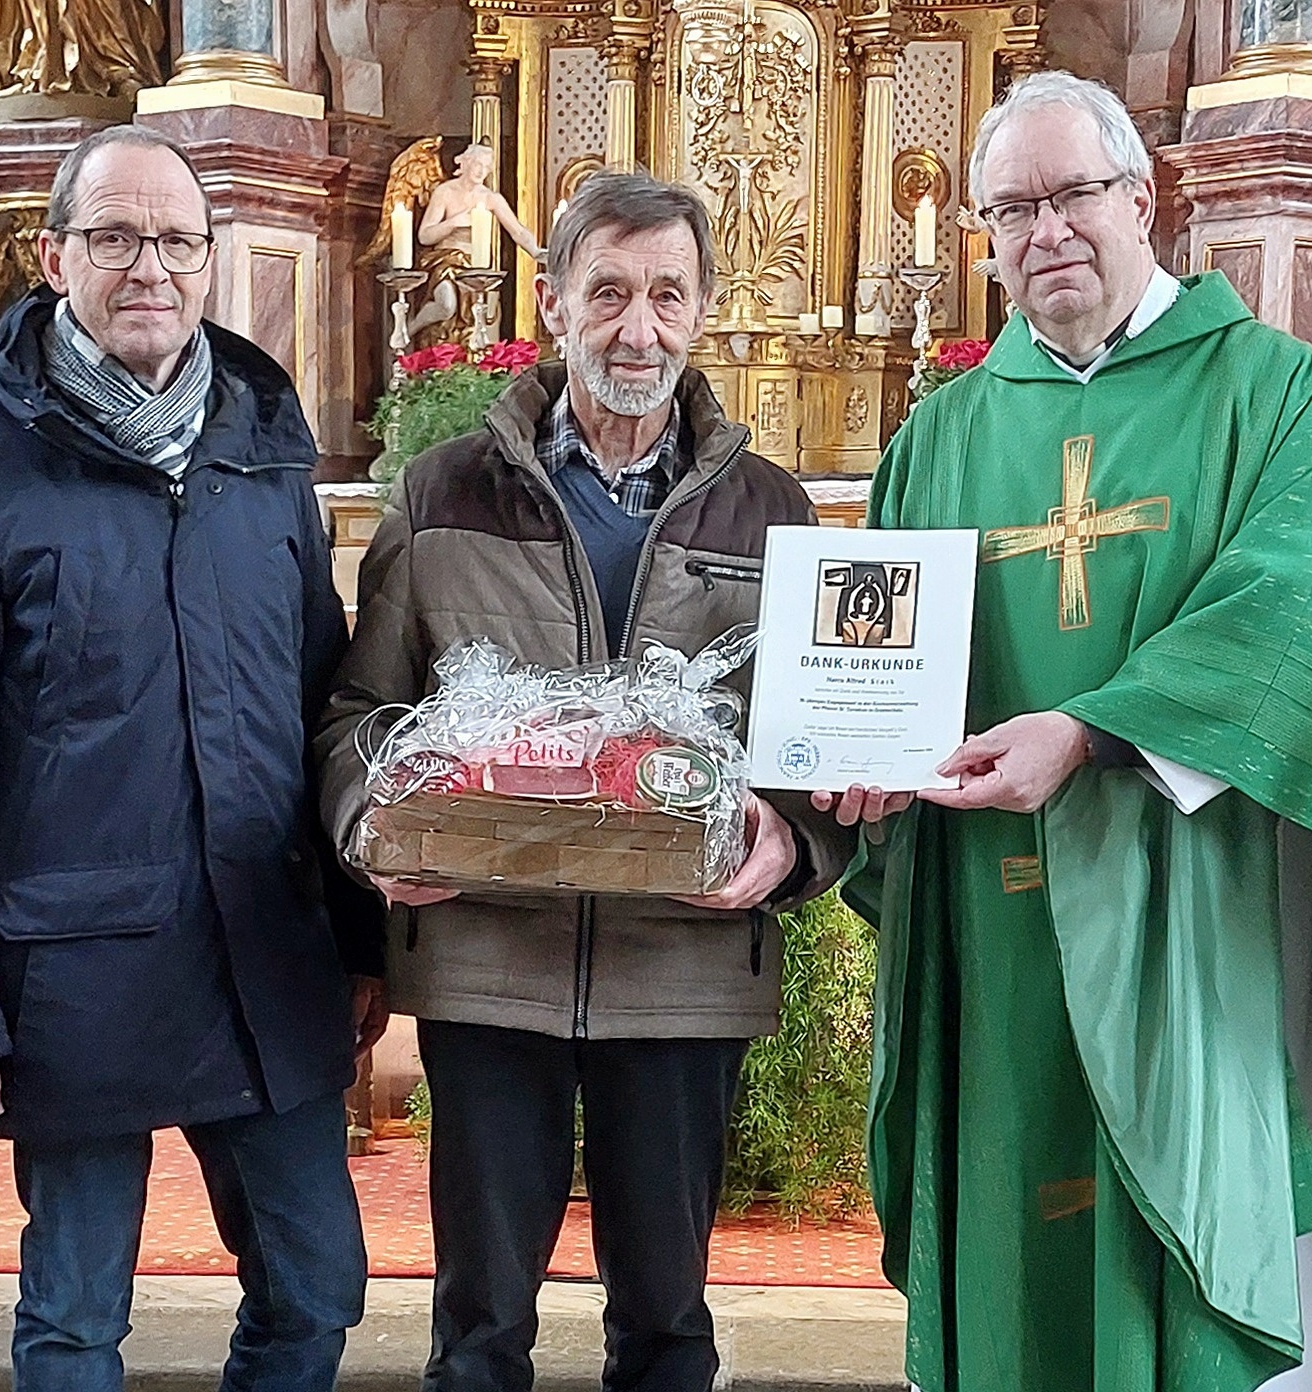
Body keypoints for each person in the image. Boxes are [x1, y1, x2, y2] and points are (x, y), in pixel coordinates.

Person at [817, 72, 1312, 1392]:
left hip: (1203, 905)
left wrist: (1092, 731)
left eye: (1072, 195)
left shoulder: (1267, 391)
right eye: (1011, 209)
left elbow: (1301, 609)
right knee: (1017, 1212)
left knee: (1184, 1219)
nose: (1045, 231)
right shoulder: (942, 434)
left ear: (1140, 197)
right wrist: (860, 763)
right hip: (993, 918)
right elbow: (879, 652)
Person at [0, 124, 384, 1392]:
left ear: (209, 263)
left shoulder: (263, 465)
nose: (150, 267)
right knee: (78, 1321)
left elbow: (326, 719)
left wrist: (359, 942)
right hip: (75, 969)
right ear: (53, 258)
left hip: (261, 955)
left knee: (316, 1292)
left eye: (178, 242)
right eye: (115, 237)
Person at [315, 171, 856, 1392]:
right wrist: (374, 828)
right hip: (487, 964)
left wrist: (793, 845)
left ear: (702, 309)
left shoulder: (771, 509)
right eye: (606, 291)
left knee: (666, 1326)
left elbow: (817, 743)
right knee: (477, 1330)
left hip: (683, 972)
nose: (637, 328)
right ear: (552, 303)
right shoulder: (442, 490)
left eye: (666, 294)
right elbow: (359, 714)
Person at [409, 143, 544, 342]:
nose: (482, 171)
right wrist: (453, 223)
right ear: (465, 163)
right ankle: (411, 328)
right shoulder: (445, 192)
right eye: (478, 164)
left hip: (475, 266)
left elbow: (518, 231)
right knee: (446, 305)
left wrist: (536, 251)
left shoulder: (491, 198)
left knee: (479, 317)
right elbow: (425, 236)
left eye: (486, 167)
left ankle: (470, 353)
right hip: (446, 262)